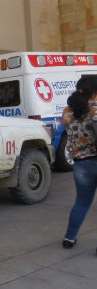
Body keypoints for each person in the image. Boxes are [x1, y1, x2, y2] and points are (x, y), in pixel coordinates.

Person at [61, 76, 97, 250]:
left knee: (81, 202)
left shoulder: (68, 112)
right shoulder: (95, 111)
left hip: (81, 165)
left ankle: (69, 238)